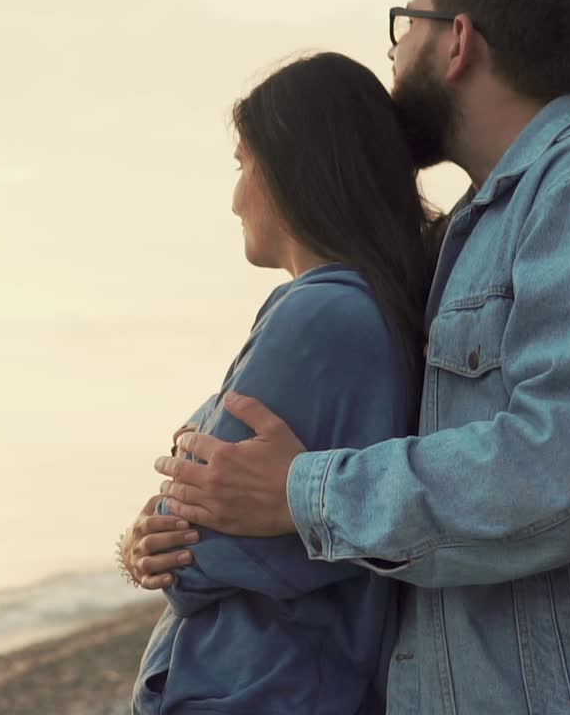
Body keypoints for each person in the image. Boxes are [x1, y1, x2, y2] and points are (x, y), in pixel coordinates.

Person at [125, 0, 570, 712]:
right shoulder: (461, 241)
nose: (392, 53)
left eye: (405, 22)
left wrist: (304, 492)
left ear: (457, 42)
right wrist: (170, 523)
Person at [129, 52, 436, 715]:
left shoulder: (322, 313)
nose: (235, 197)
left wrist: (155, 530)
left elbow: (198, 545)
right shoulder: (371, 308)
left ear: (295, 169)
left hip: (263, 689)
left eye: (243, 164)